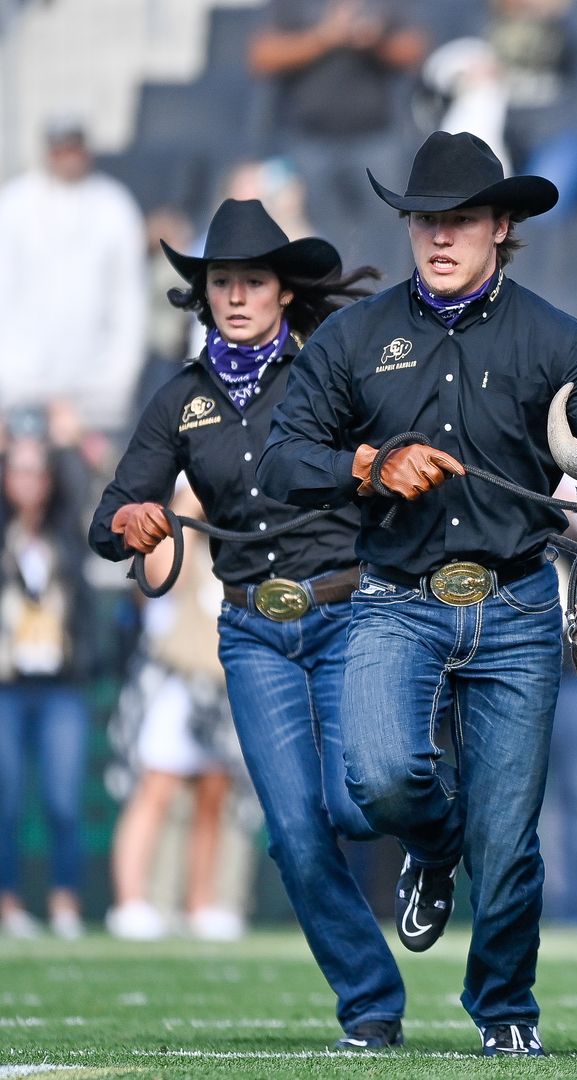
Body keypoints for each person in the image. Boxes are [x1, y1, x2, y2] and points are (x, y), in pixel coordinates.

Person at [258, 131, 577, 1057]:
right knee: (379, 780)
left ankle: (505, 1010)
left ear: (502, 227)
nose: (440, 236)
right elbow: (281, 455)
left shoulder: (557, 340)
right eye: (426, 220)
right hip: (395, 598)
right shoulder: (355, 336)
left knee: (508, 842)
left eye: (460, 219)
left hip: (515, 606)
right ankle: (430, 845)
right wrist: (368, 463)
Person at [89, 198, 407, 1045]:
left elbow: (398, 459)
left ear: (282, 291)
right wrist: (130, 522)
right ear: (203, 295)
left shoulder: (330, 372)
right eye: (222, 281)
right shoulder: (179, 402)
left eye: (252, 281)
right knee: (297, 837)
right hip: (252, 634)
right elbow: (113, 510)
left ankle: (435, 842)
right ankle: (370, 1005)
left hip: (347, 614)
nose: (236, 295)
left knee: (365, 793)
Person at [102, 486, 243, 943]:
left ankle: (200, 904)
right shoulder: (169, 524)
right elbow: (164, 575)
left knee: (213, 793)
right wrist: (187, 505)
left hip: (220, 682)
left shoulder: (233, 534)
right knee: (154, 789)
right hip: (174, 678)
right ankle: (131, 901)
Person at [0, 416, 97, 941]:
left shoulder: (62, 531)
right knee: (7, 800)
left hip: (61, 683)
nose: (28, 481)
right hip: (7, 685)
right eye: (17, 471)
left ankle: (65, 903)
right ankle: (9, 905)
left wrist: (62, 441)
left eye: (37, 472)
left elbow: (78, 486)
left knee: (63, 799)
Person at [0, 119, 147, 435]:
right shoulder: (13, 204)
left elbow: (129, 300)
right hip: (21, 386)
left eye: (74, 146)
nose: (67, 155)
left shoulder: (115, 205)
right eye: (60, 147)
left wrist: (118, 378)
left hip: (95, 396)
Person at [249, 0, 427, 246]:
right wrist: (323, 37)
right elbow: (262, 56)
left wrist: (375, 42)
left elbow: (415, 51)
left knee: (390, 236)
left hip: (376, 139)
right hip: (308, 141)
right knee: (317, 240)